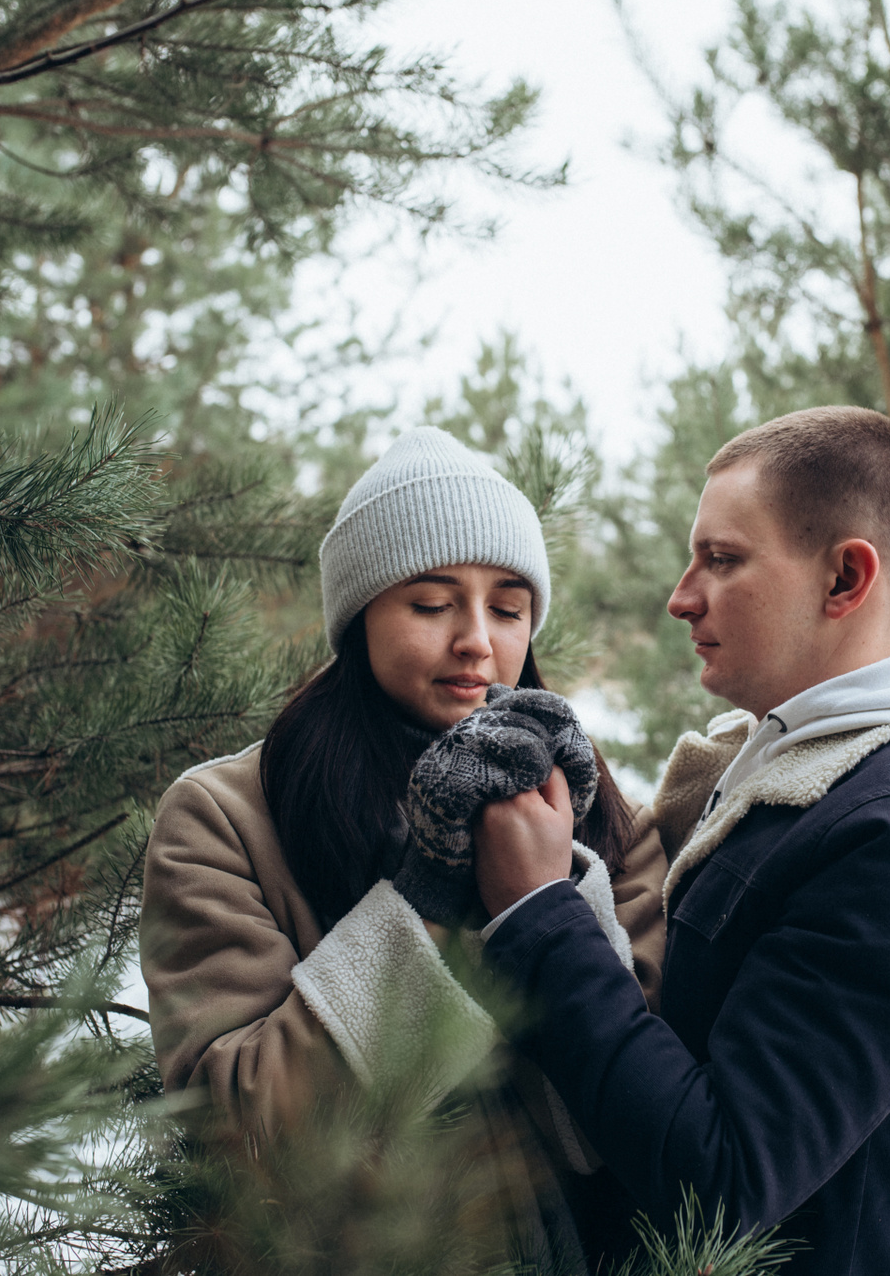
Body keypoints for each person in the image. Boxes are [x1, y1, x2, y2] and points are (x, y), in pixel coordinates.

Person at [471, 406, 890, 1275]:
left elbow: (723, 1182)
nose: (681, 597)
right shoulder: (804, 779)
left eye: (723, 559)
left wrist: (539, 914)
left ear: (845, 579)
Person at [138, 427, 667, 1271]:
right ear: (360, 618)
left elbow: (649, 1100)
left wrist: (549, 895)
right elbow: (233, 1133)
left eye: (508, 608)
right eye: (430, 604)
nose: (477, 639)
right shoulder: (226, 818)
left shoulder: (593, 811)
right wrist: (429, 900)